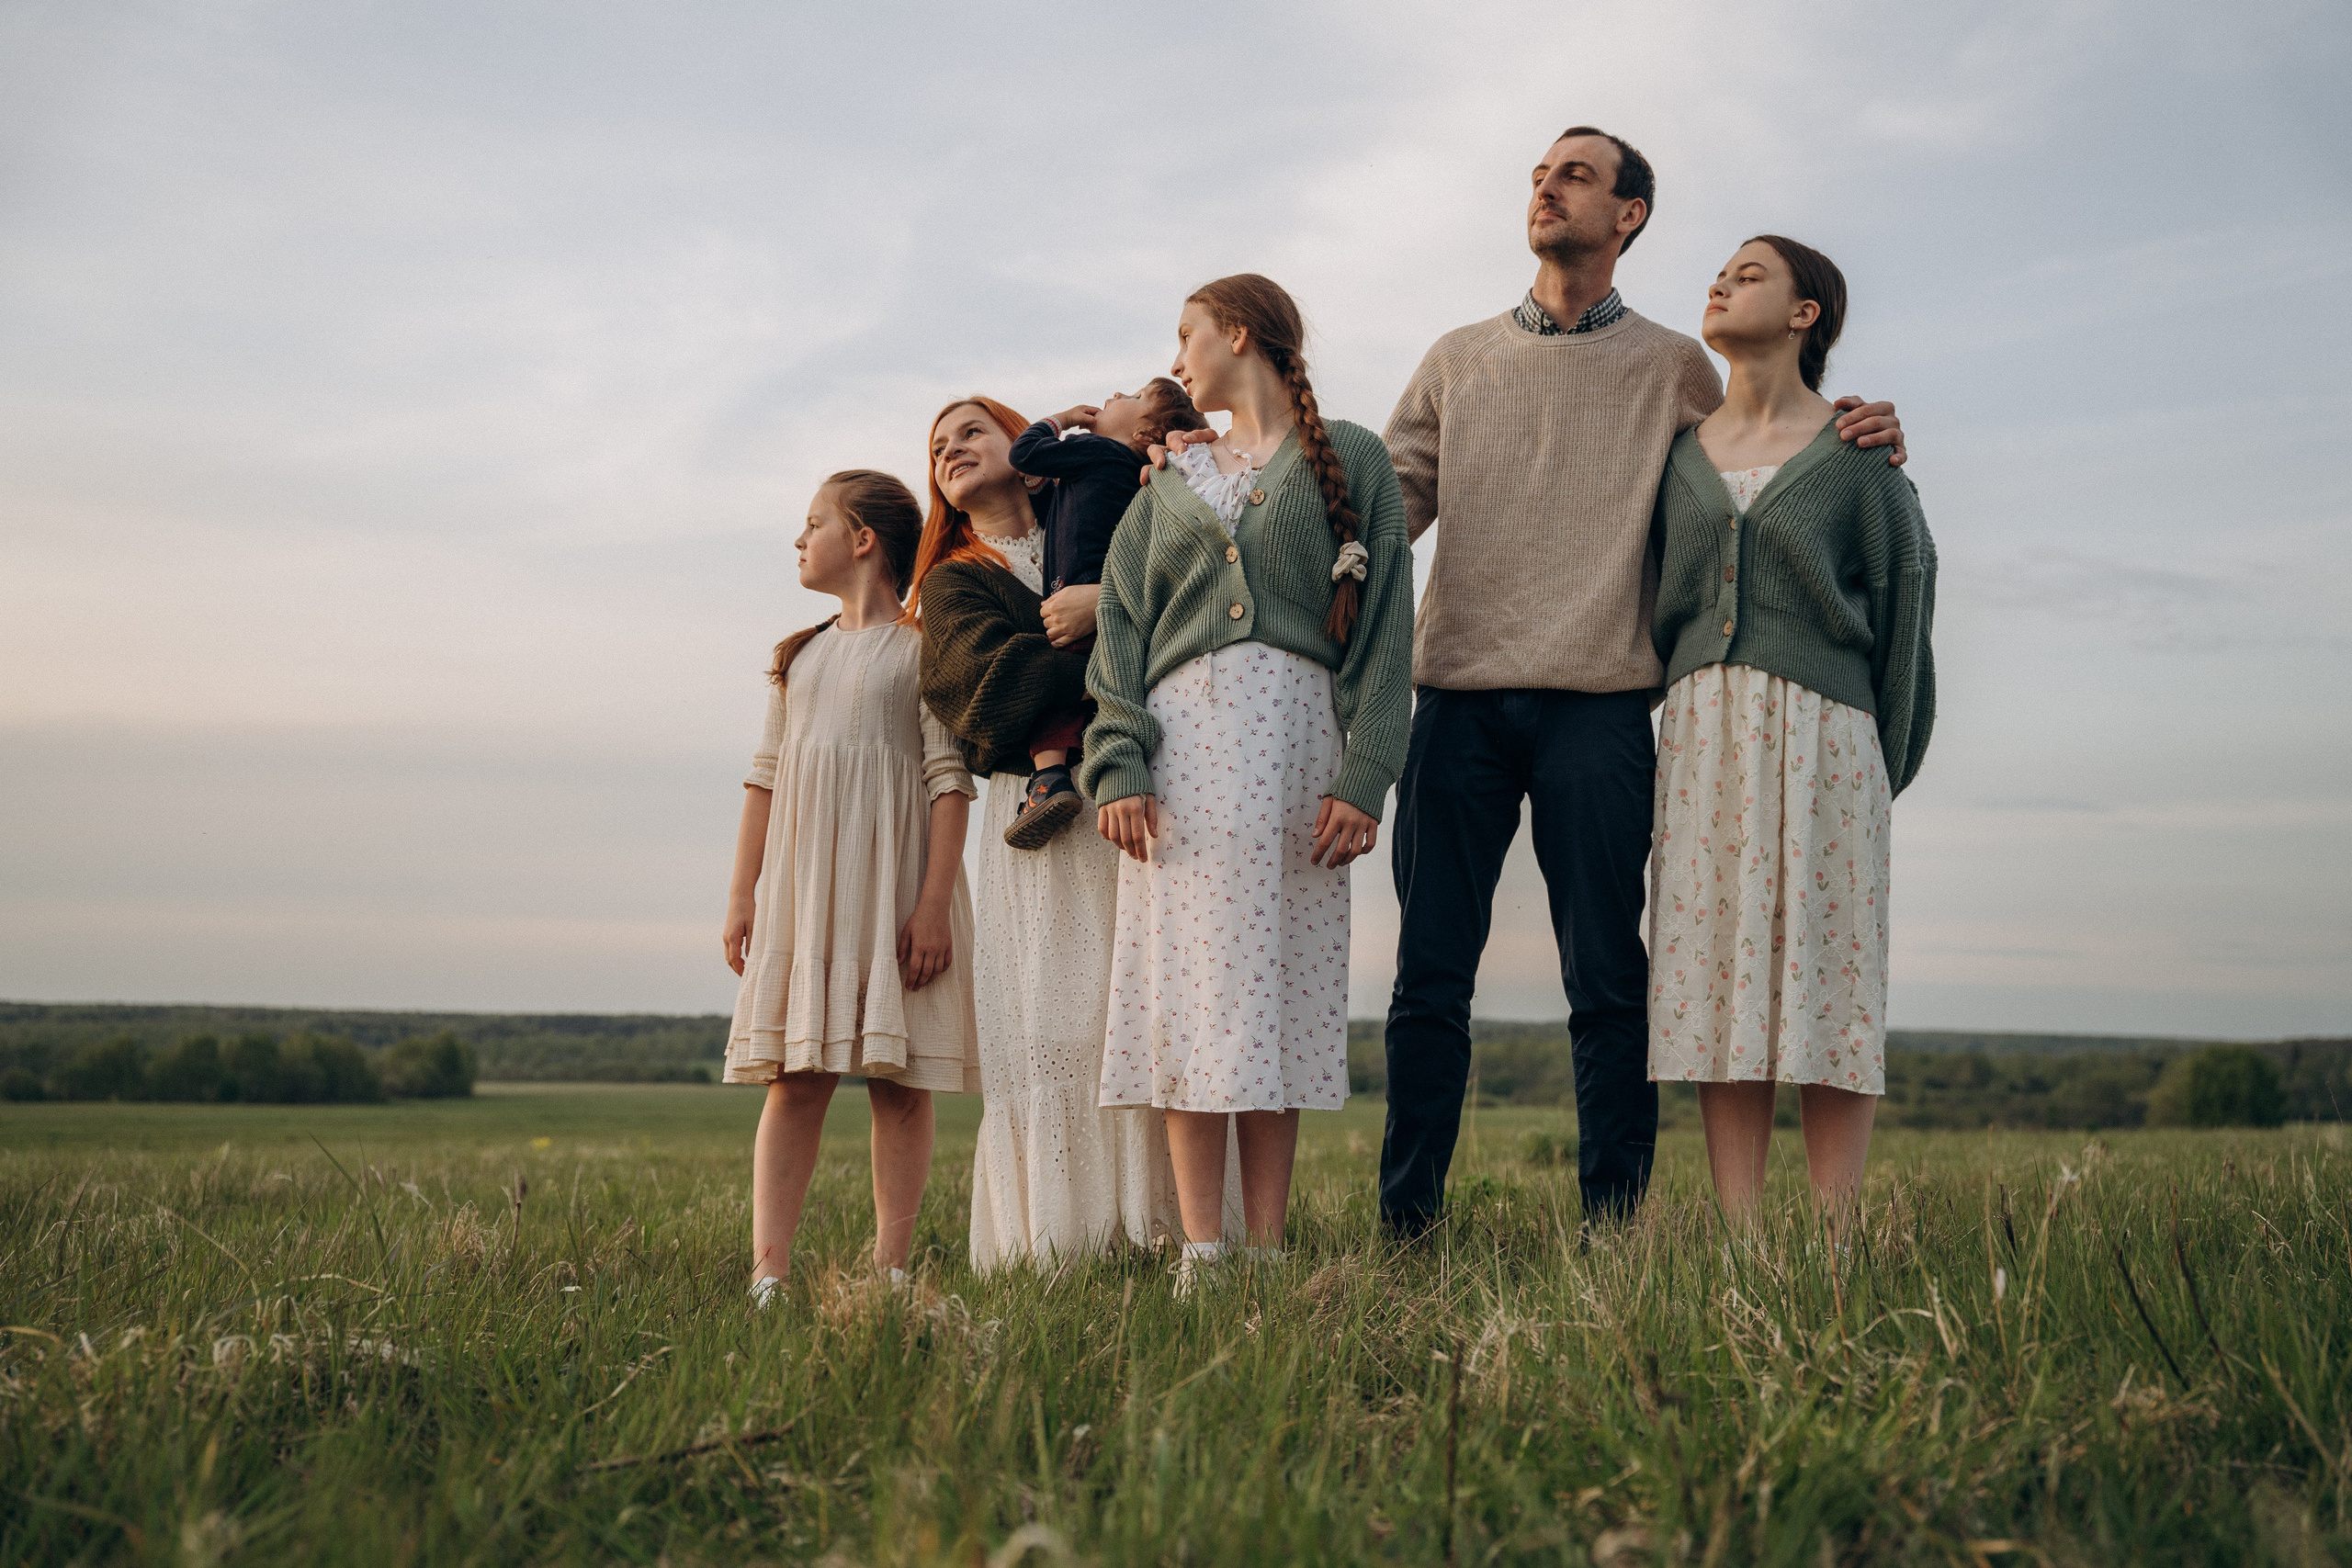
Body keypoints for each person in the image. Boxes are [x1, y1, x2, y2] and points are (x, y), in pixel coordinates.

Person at [1376, 125, 1908, 1235]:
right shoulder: (1455, 357)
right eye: (1537, 173)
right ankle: (1405, 1227)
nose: (1545, 186)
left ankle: (1612, 1227)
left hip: (1604, 708)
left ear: (1628, 216)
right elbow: (1377, 521)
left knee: (1608, 985)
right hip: (1458, 701)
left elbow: (1765, 458)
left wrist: (1866, 421)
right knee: (1429, 979)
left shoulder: (1674, 366)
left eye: (1574, 174)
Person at [1085, 275, 1414, 1292]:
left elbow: (1389, 622)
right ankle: (1201, 1251)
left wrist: (1366, 773)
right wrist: (1118, 763)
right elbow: (1120, 637)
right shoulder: (1170, 484)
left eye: (1186, 334)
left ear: (1237, 332)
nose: (1176, 357)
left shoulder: (1351, 459)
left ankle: (1265, 1253)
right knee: (1188, 997)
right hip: (1182, 764)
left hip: (1296, 761)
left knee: (1274, 994)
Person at [1648, 234, 1935, 1227]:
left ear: (1804, 314)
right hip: (1699, 744)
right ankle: (1738, 1243)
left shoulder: (1857, 458)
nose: (1720, 281)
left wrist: (1870, 764)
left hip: (1827, 744)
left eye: (1750, 272)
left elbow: (1906, 619)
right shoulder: (1676, 455)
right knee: (1711, 980)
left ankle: (1833, 1240)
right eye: (1719, 270)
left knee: (1830, 975)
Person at [910, 395, 1211, 1269]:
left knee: (1145, 1008)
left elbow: (1191, 619)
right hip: (1035, 816)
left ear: (1022, 438)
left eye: (970, 430)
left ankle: (1167, 1229)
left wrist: (1102, 608)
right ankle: (1060, 1244)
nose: (951, 450)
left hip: (1140, 795)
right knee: (1052, 1020)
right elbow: (987, 699)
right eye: (936, 447)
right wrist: (1106, 627)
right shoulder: (954, 580)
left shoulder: (1107, 507)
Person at [719, 469, 979, 1306]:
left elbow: (949, 782)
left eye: (813, 523)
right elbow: (763, 780)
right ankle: (769, 1272)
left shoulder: (922, 649)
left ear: (862, 540)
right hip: (808, 891)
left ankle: (891, 1270)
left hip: (898, 891)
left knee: (899, 1086)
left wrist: (934, 904)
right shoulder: (796, 657)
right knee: (795, 1079)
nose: (799, 540)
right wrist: (742, 893)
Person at [1000, 379, 1209, 849]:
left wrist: (1065, 419)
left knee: (1053, 690)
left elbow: (1025, 455)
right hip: (1114, 605)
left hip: (1075, 595)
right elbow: (1043, 494)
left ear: (1142, 433)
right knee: (1097, 691)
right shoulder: (1123, 474)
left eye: (1131, 396)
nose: (1114, 393)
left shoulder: (1096, 450)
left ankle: (1049, 778)